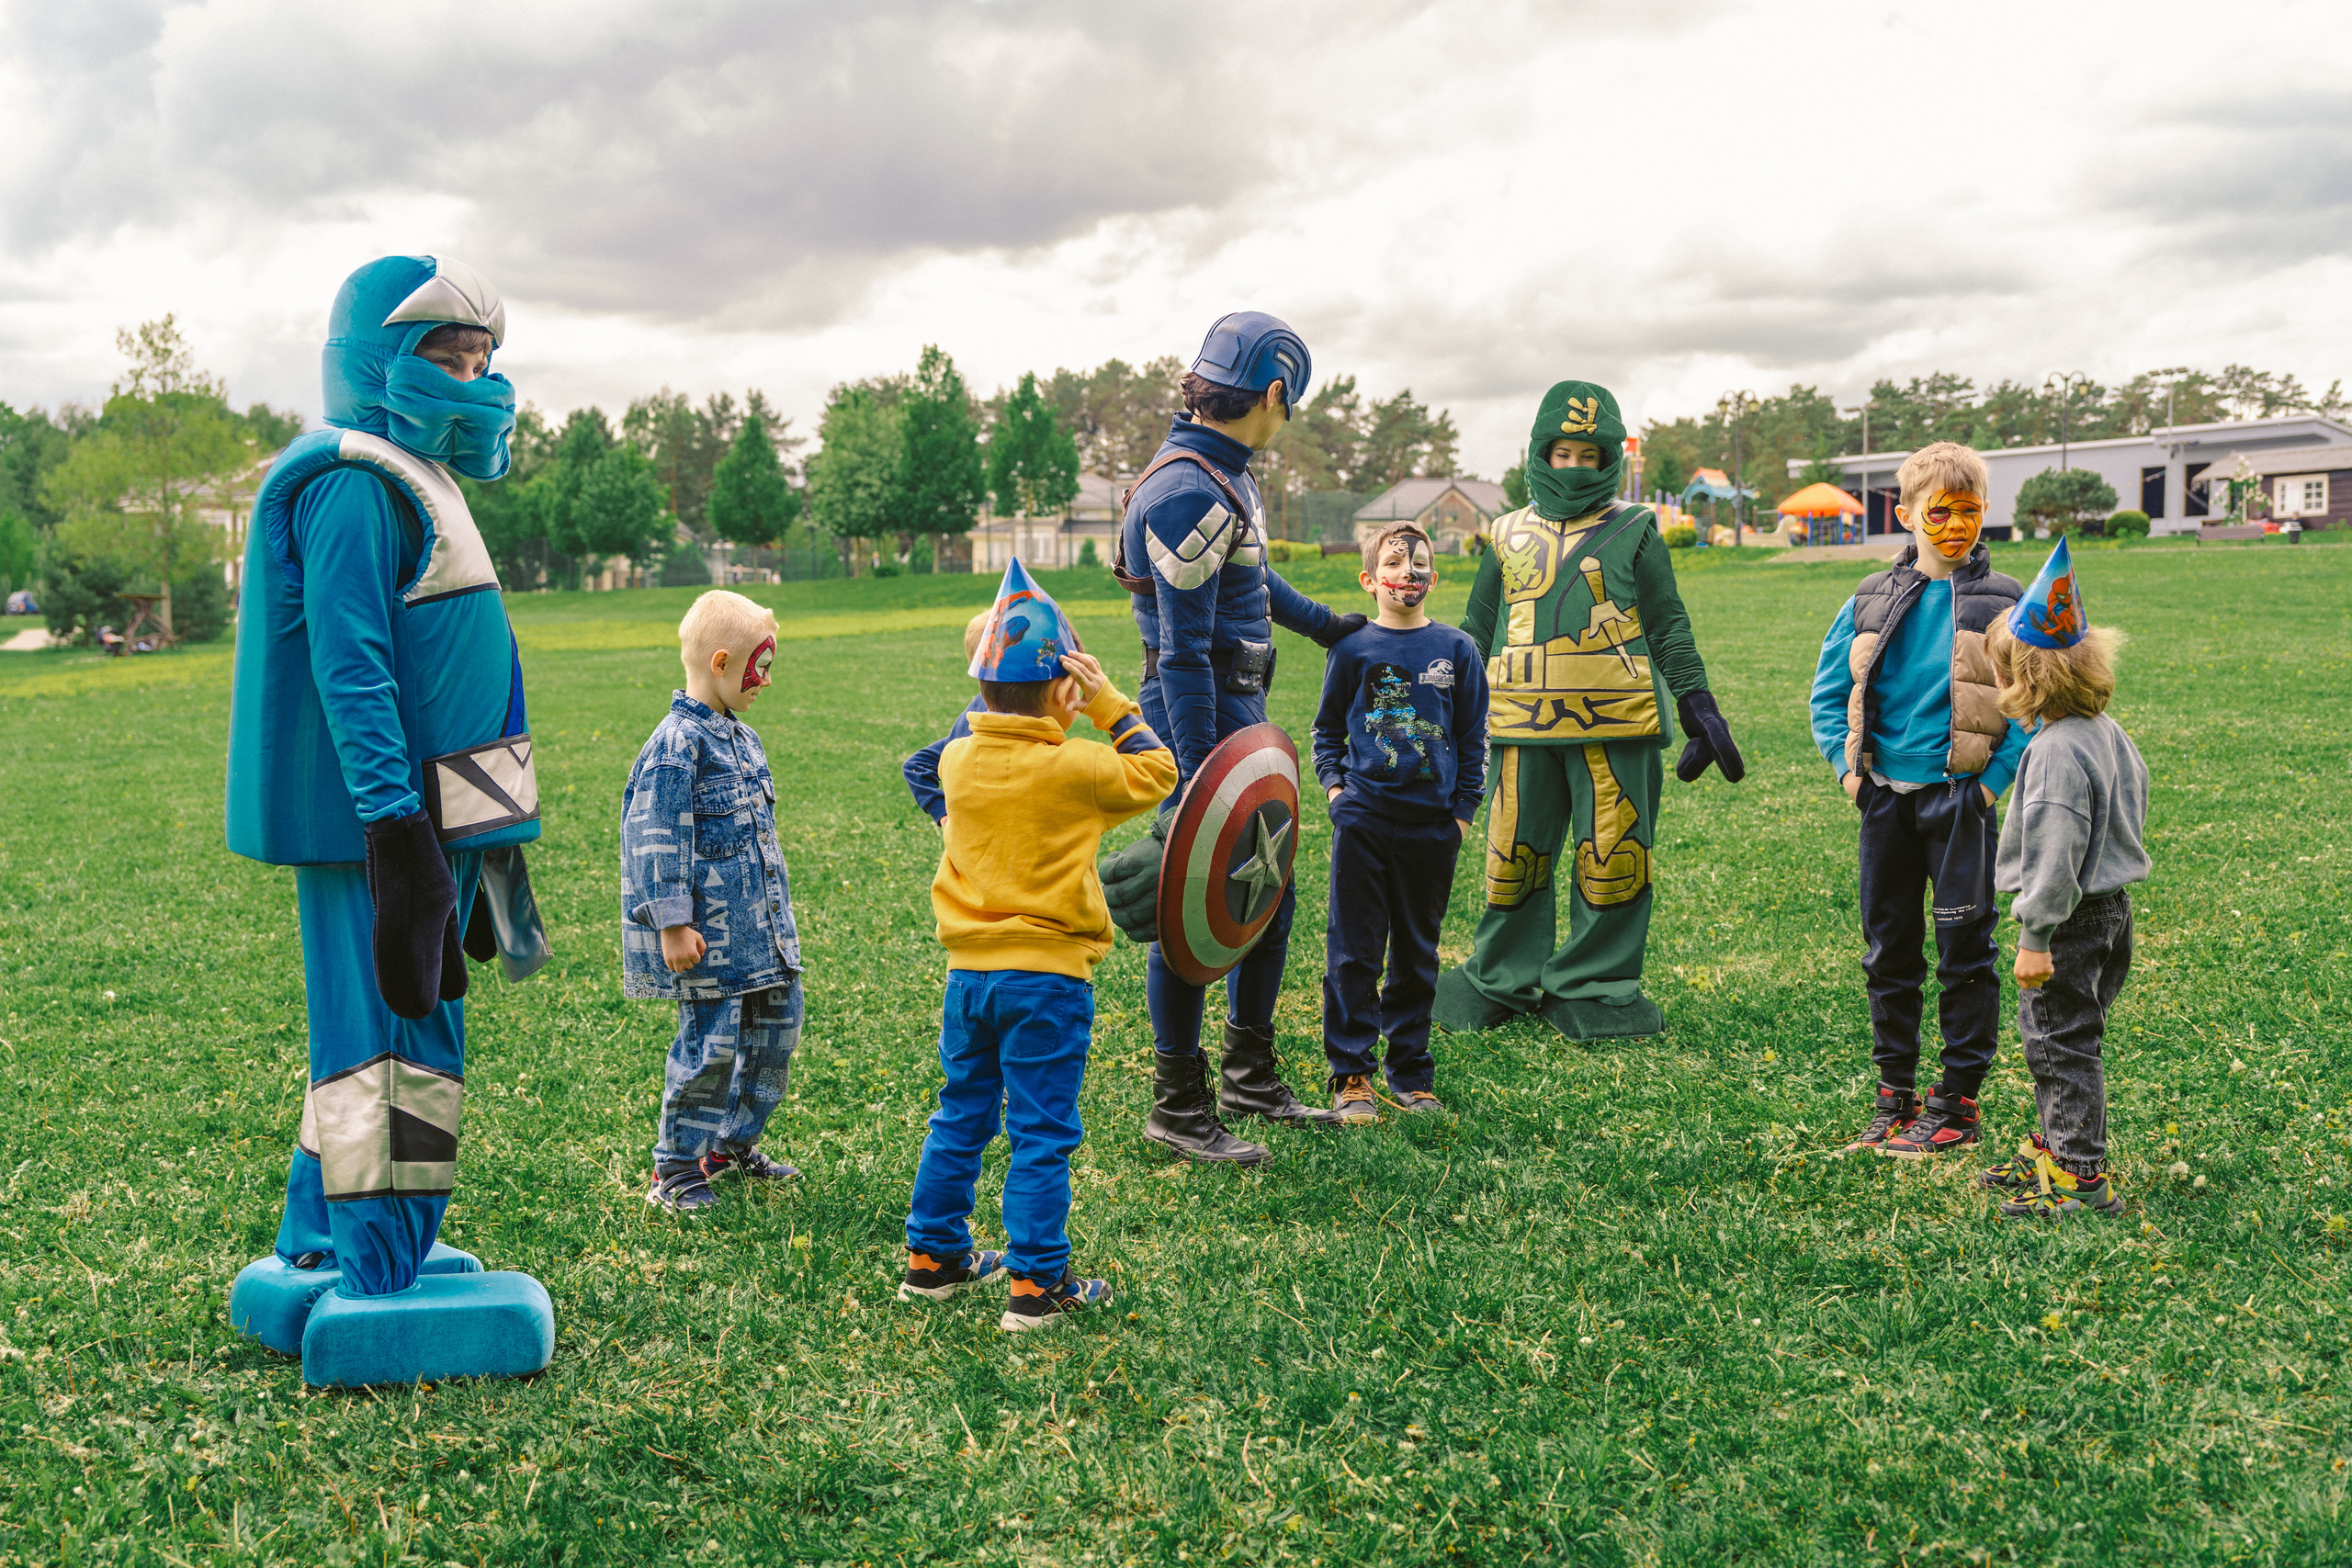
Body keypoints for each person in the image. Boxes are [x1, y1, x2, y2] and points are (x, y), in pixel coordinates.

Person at [223, 254, 553, 1386]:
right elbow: (350, 666)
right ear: (378, 361)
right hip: (389, 831)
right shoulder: (356, 480)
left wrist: (483, 841)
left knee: (378, 1027)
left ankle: (322, 1239)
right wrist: (397, 834)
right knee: (395, 1036)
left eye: (482, 358)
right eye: (445, 356)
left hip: (444, 823)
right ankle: (380, 1275)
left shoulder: (415, 473)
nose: (473, 377)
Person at [1110, 312, 1366, 1164]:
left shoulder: (1222, 473)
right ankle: (1177, 1103)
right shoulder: (1186, 486)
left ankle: (1248, 1075)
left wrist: (1331, 627)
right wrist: (1190, 778)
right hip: (1202, 708)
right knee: (1199, 894)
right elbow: (1180, 653)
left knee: (1270, 891)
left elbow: (1255, 576)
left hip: (1235, 707)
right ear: (1273, 393)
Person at [900, 561, 1176, 1330]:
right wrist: (1109, 701)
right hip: (1048, 983)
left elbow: (976, 741)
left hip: (969, 978)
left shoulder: (956, 760)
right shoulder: (1079, 766)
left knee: (960, 1114)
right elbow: (1158, 768)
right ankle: (1036, 1285)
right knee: (1040, 1132)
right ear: (1065, 691)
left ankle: (934, 1260)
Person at [1433, 380, 1744, 1042]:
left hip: (1619, 719)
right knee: (1512, 850)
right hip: (1517, 720)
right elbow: (1477, 625)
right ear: (1541, 451)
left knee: (1614, 851)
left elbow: (1666, 622)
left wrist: (1697, 700)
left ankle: (1596, 982)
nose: (1575, 466)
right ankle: (1499, 974)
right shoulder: (1503, 531)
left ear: (1610, 460)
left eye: (1590, 454)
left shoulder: (1636, 528)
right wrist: (1448, 705)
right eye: (1563, 452)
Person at [1807, 441, 2030, 1157]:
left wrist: (1993, 783)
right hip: (1885, 800)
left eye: (1969, 510)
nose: (1955, 523)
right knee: (1889, 949)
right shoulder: (1870, 596)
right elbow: (1828, 693)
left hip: (1961, 801)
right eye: (1940, 510)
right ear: (1906, 513)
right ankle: (1894, 1096)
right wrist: (1849, 772)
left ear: (1985, 512)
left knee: (1965, 948)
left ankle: (1957, 1103)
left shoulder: (2007, 604)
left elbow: (2037, 701)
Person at [621, 590, 806, 1213]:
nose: (768, 680)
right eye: (762, 666)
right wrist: (673, 923)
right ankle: (676, 1166)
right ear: (723, 662)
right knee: (710, 1052)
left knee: (776, 1035)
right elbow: (655, 838)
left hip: (764, 939)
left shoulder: (744, 739)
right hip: (710, 944)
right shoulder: (676, 746)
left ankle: (729, 1146)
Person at [1981, 541, 2147, 1217]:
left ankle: (2079, 1171)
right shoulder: (2105, 730)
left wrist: (2036, 935)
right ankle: (2056, 1139)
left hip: (2068, 919)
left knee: (2058, 1038)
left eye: (2001, 676)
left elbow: (2055, 851)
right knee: (2078, 1029)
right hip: (2112, 909)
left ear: (2028, 678)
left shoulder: (2051, 753)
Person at [1311, 522, 1487, 1121]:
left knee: (1417, 954)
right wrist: (1336, 791)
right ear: (1369, 578)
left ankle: (1411, 1072)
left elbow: (1472, 735)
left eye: (1419, 562)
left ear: (1433, 576)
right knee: (1354, 952)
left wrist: (1461, 814)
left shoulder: (1458, 649)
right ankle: (1350, 1073)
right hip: (1363, 821)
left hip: (1433, 829)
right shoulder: (1354, 648)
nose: (1408, 570)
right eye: (1395, 560)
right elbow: (1326, 728)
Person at [902, 610, 994, 826]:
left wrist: (943, 814)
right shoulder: (998, 721)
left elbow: (915, 765)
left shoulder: (979, 708)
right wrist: (945, 816)